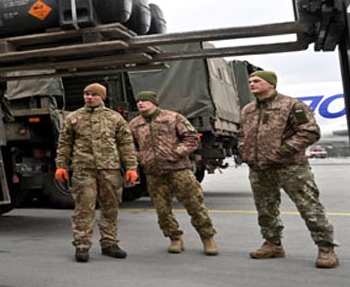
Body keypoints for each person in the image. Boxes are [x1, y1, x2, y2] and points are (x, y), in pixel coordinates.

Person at [238, 70, 339, 269]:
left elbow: (309, 132)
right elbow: (242, 135)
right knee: (265, 209)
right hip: (260, 169)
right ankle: (272, 244)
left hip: (290, 167)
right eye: (249, 81)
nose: (251, 84)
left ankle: (326, 248)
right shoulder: (248, 110)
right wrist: (245, 152)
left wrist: (282, 152)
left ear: (271, 84)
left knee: (309, 207)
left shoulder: (292, 105)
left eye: (257, 81)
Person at [127, 91, 219, 255]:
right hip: (154, 173)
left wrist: (178, 152)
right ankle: (174, 238)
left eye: (145, 101)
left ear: (154, 102)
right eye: (138, 101)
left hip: (179, 170)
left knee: (194, 205)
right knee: (162, 210)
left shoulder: (173, 117)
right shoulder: (134, 124)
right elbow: (129, 146)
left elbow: (192, 137)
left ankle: (207, 238)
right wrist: (140, 157)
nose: (141, 104)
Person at [54, 83, 138, 262]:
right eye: (86, 94)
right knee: (84, 208)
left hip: (110, 169)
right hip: (84, 169)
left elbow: (126, 144)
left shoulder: (114, 118)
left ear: (102, 97)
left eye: (93, 94)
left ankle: (109, 243)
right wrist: (61, 165)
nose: (89, 97)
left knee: (110, 207)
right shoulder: (74, 118)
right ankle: (82, 245)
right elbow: (64, 144)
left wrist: (131, 167)